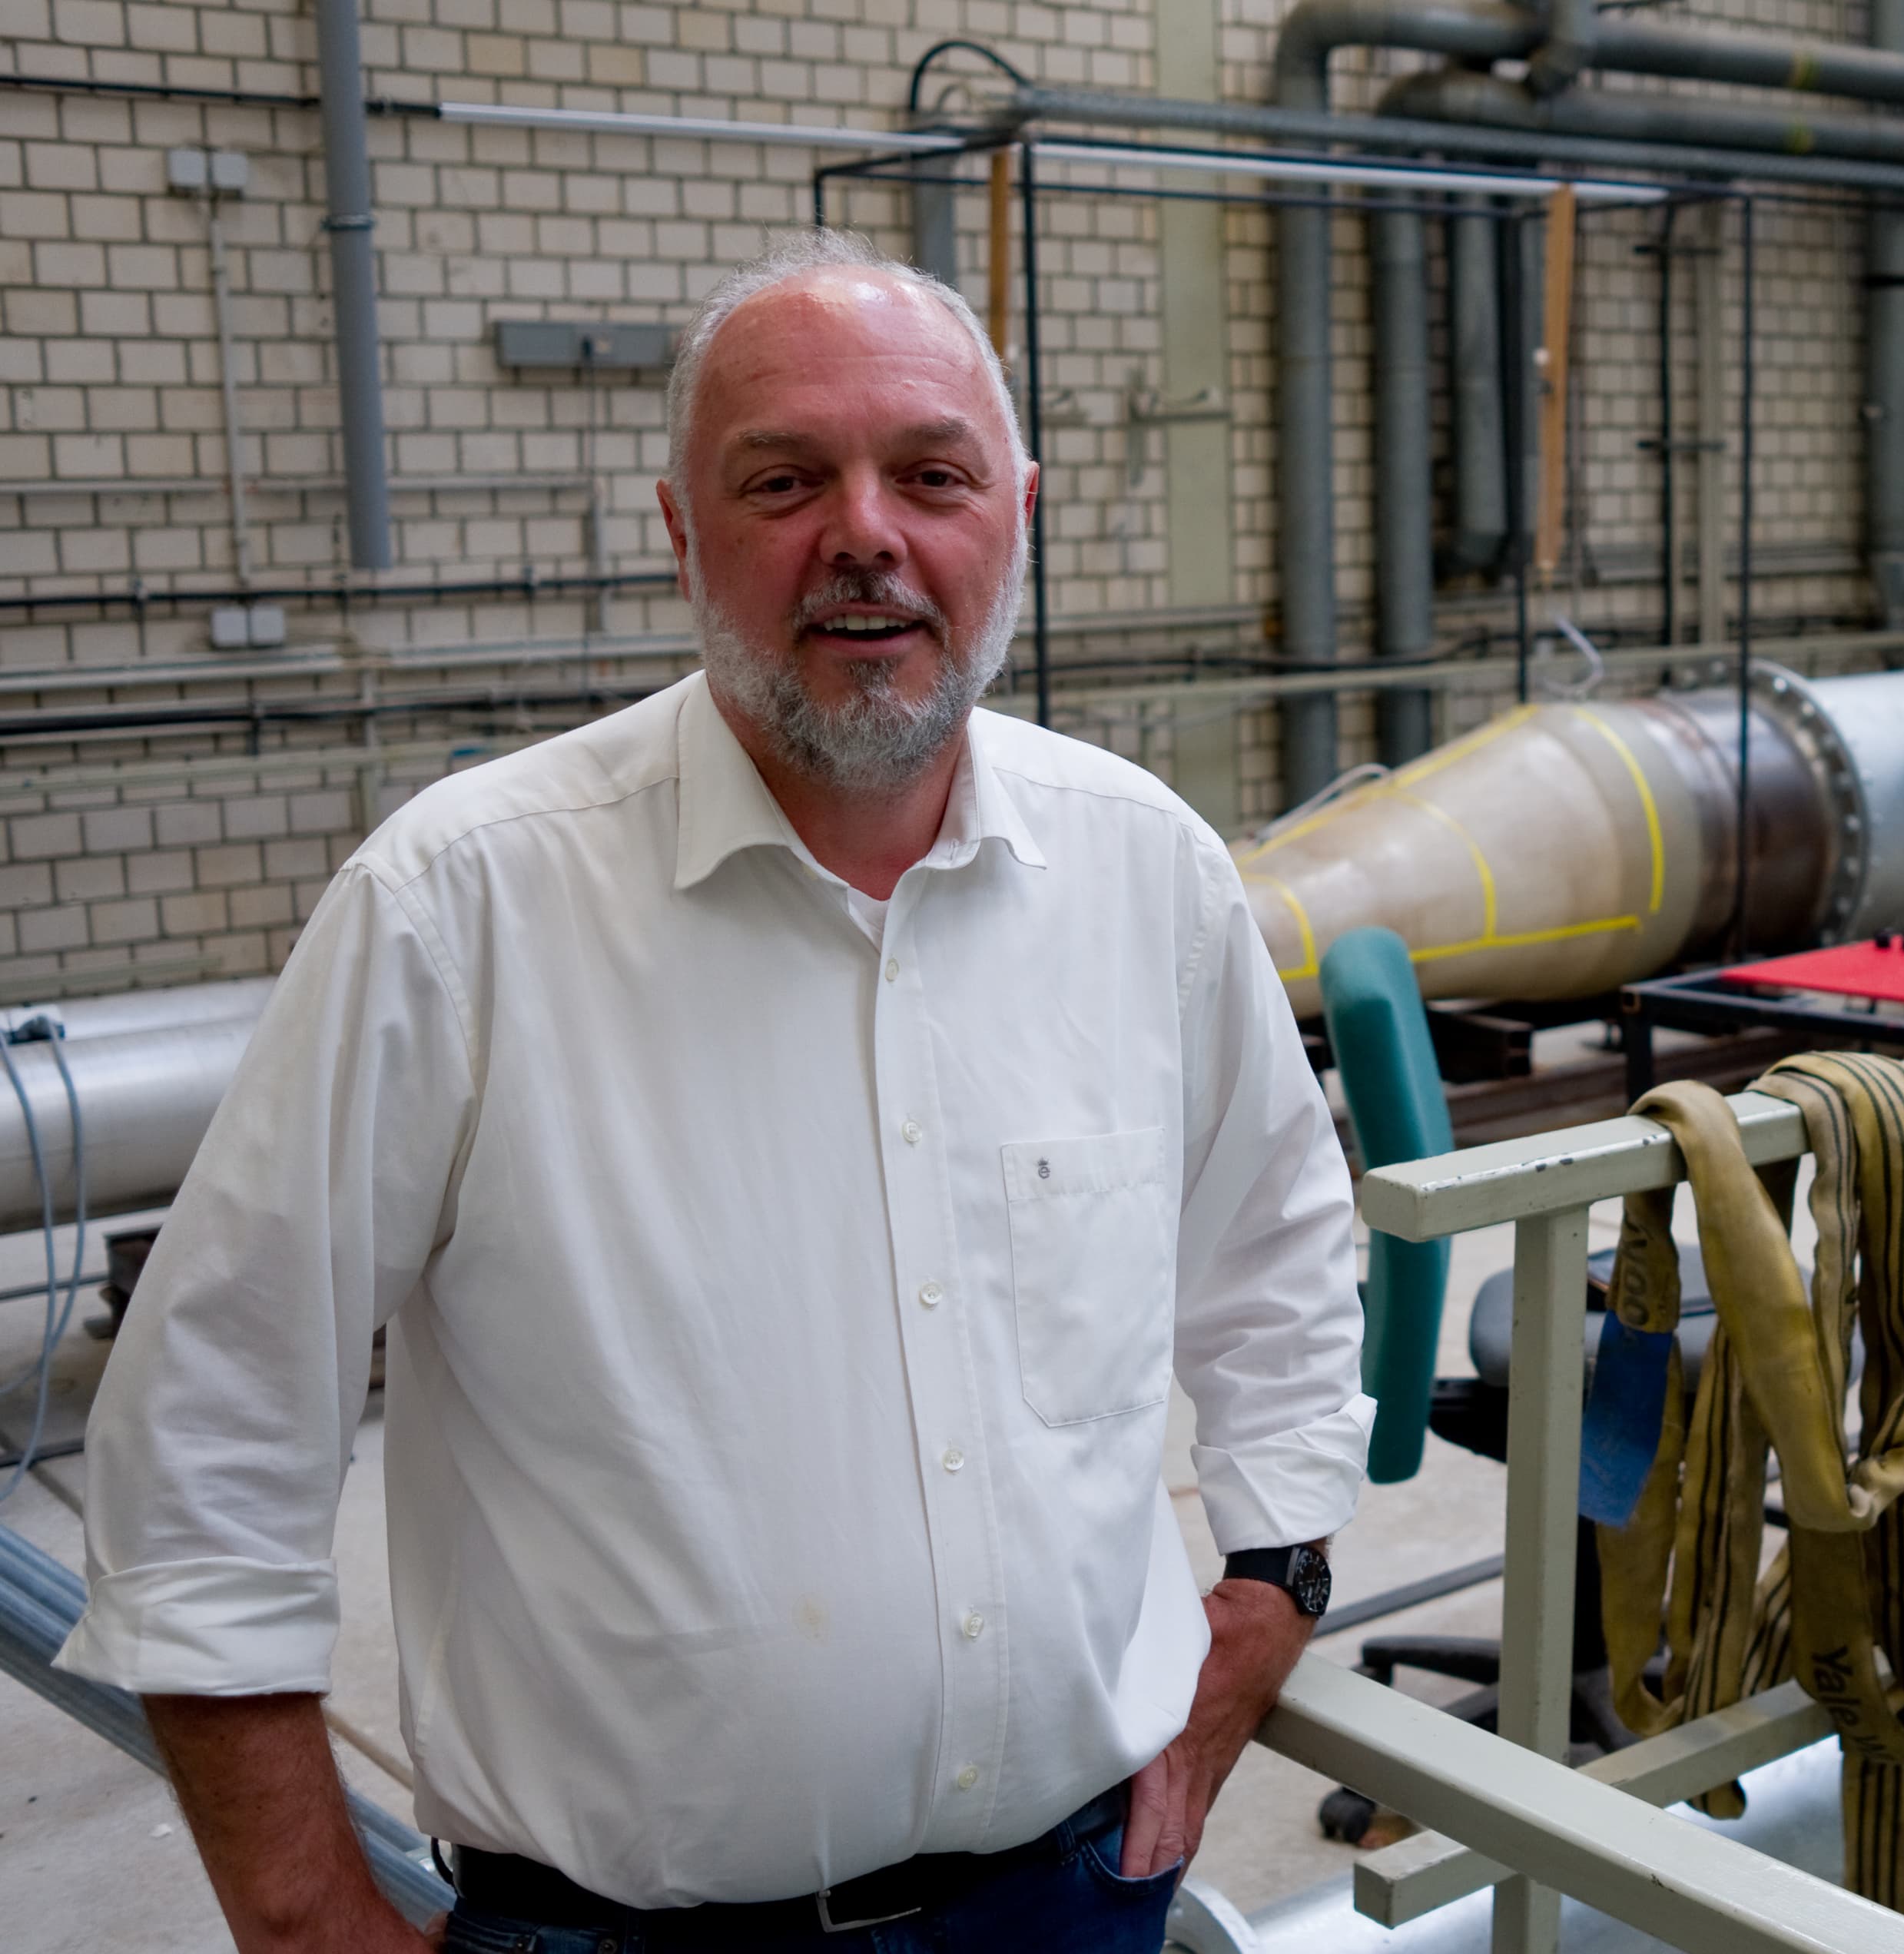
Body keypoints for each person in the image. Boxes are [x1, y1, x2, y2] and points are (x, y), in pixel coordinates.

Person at [56, 229, 1374, 1952]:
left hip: (1073, 1898)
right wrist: (309, 1922)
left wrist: (1268, 1594)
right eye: (783, 479)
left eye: (930, 474)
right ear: (682, 533)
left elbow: (1280, 1260)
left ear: (1017, 516)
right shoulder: (461, 910)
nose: (867, 537)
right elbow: (208, 1447)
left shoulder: (1147, 878)